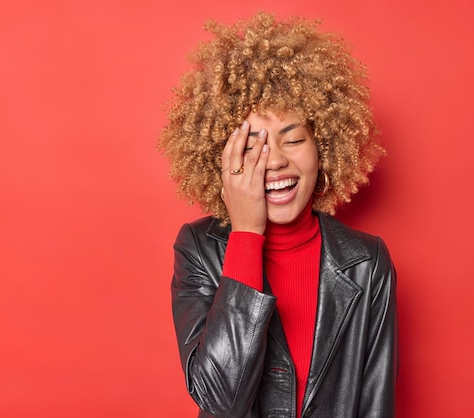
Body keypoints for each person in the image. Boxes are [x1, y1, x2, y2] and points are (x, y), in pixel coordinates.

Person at [159, 12, 398, 418]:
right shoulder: (198, 249)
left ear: (323, 145)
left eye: (293, 139)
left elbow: (376, 404)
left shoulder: (367, 263)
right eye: (253, 146)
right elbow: (220, 401)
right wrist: (247, 232)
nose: (276, 162)